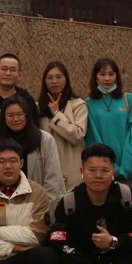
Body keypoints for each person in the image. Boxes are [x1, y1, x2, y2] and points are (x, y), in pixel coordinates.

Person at [84, 57, 132, 191]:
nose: (107, 78)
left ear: (117, 76)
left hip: (131, 169)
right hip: (103, 170)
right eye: (102, 74)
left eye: (111, 74)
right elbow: (93, 138)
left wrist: (126, 167)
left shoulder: (129, 100)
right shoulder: (88, 104)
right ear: (95, 78)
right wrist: (111, 166)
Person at [0, 96, 65, 203]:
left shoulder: (45, 140)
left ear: (27, 115)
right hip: (8, 203)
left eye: (20, 114)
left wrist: (43, 207)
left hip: (39, 203)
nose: (15, 119)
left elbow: (53, 178)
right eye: (10, 115)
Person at [37, 61, 88, 190]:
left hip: (72, 169)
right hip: (46, 168)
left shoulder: (78, 105)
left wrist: (56, 114)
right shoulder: (38, 107)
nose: (54, 81)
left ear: (66, 79)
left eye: (59, 77)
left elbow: (77, 135)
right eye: (50, 78)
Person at [0, 53, 39, 130]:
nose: (8, 73)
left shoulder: (27, 100)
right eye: (4, 69)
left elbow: (34, 129)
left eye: (13, 70)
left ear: (19, 75)